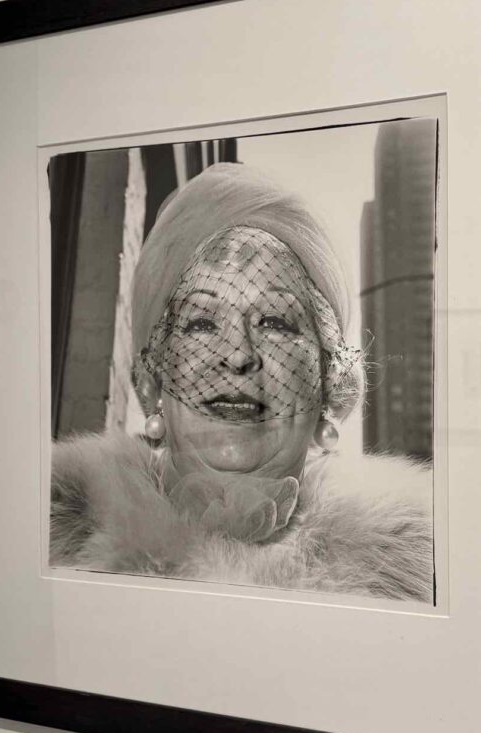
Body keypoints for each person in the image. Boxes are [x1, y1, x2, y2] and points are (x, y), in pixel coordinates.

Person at [49, 162, 433, 603]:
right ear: (152, 380)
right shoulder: (40, 527)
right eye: (200, 324)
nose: (237, 354)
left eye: (275, 323)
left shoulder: (420, 569)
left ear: (329, 382)